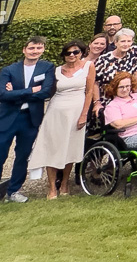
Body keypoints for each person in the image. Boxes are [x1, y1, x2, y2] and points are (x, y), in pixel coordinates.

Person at [0, 35, 57, 210]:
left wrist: (18, 92)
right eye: (31, 48)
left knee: (22, 156)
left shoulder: (47, 67)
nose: (35, 51)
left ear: (43, 49)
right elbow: (3, 95)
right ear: (24, 50)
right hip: (7, 119)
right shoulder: (9, 70)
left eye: (38, 48)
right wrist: (30, 90)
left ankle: (14, 190)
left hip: (30, 118)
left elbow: (45, 92)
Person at [27, 40, 94, 200]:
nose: (72, 55)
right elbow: (44, 88)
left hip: (76, 111)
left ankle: (64, 183)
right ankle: (52, 188)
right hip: (56, 111)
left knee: (70, 148)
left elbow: (90, 91)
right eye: (68, 53)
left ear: (81, 53)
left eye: (75, 52)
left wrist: (84, 114)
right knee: (53, 146)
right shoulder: (56, 70)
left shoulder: (88, 66)